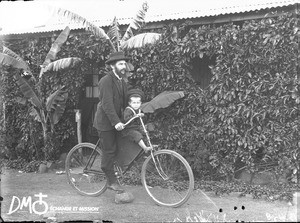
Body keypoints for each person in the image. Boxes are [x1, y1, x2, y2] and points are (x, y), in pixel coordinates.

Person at [93, 51, 129, 192]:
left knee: (120, 146)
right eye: (120, 64)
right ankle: (111, 181)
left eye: (124, 63)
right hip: (105, 123)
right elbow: (107, 104)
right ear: (113, 66)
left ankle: (114, 171)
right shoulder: (105, 81)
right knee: (109, 150)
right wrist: (115, 122)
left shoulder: (122, 81)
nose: (123, 66)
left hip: (116, 120)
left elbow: (124, 103)